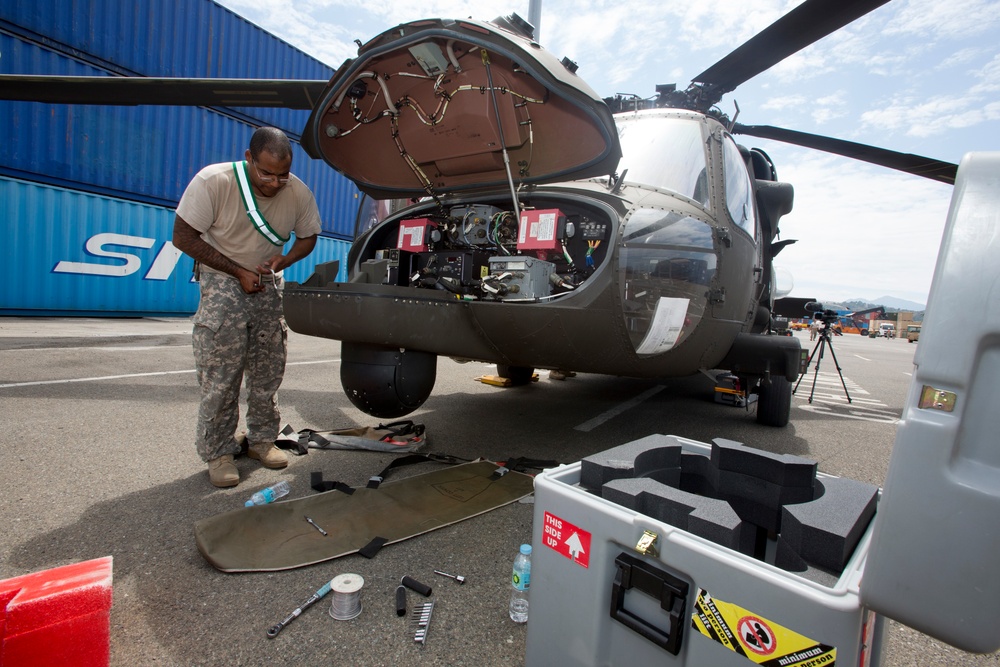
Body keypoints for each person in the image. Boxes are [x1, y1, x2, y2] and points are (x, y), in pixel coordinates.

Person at [173, 127, 322, 487]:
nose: (274, 182)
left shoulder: (298, 192)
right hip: (223, 282)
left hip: (268, 283)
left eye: (282, 175)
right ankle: (220, 452)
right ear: (248, 159)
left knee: (268, 370)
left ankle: (261, 441)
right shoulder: (214, 181)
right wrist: (237, 270)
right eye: (266, 173)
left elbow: (308, 237)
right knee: (221, 376)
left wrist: (282, 262)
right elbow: (183, 236)